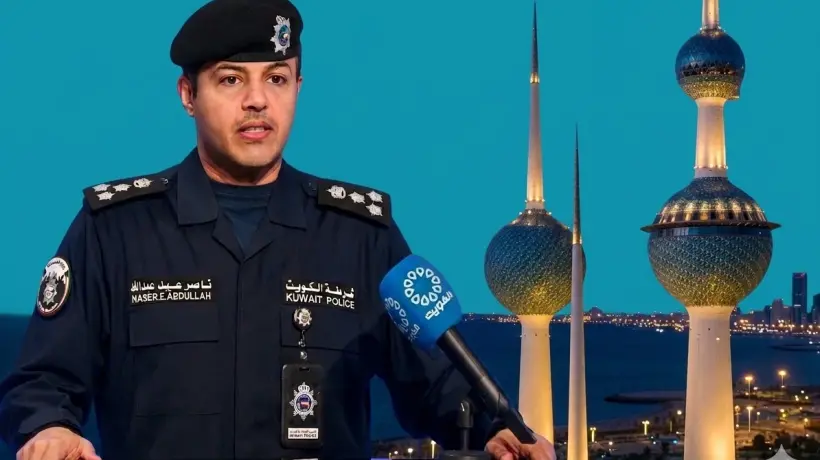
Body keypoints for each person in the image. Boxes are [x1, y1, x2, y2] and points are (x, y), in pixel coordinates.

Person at [0, 0, 556, 458]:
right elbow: (43, 381)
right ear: (188, 95)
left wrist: (496, 431)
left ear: (298, 87)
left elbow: (437, 383)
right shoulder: (115, 231)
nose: (257, 100)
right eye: (230, 79)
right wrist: (49, 428)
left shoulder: (361, 237)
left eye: (277, 78)